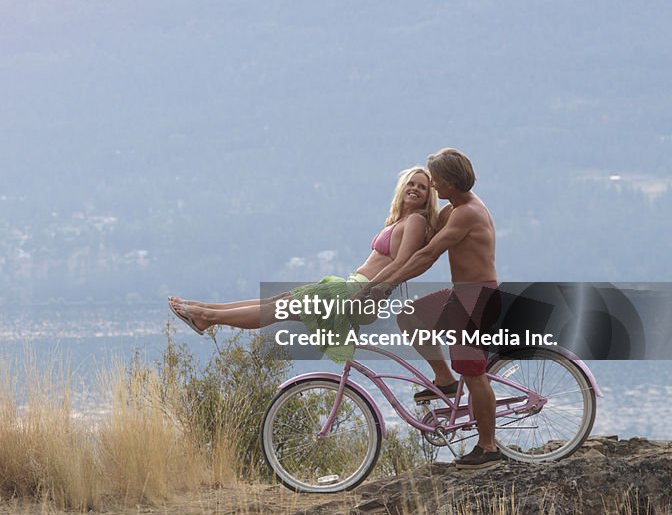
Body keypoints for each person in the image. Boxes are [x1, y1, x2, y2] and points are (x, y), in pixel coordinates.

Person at [168, 167, 439, 354]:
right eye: (411, 184)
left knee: (277, 309)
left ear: (429, 196)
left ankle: (206, 316)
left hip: (359, 293)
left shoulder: (415, 220)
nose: (415, 189)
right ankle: (204, 309)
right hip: (350, 287)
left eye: (422, 187)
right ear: (402, 188)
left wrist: (367, 292)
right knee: (278, 303)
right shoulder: (402, 220)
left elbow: (400, 264)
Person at [359, 148, 502, 470]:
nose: (433, 185)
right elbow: (418, 248)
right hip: (461, 293)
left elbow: (428, 256)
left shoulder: (467, 213)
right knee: (410, 315)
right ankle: (444, 380)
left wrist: (384, 286)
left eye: (436, 180)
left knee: (474, 373)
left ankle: (488, 446)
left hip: (476, 299)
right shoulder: (453, 210)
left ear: (450, 182)